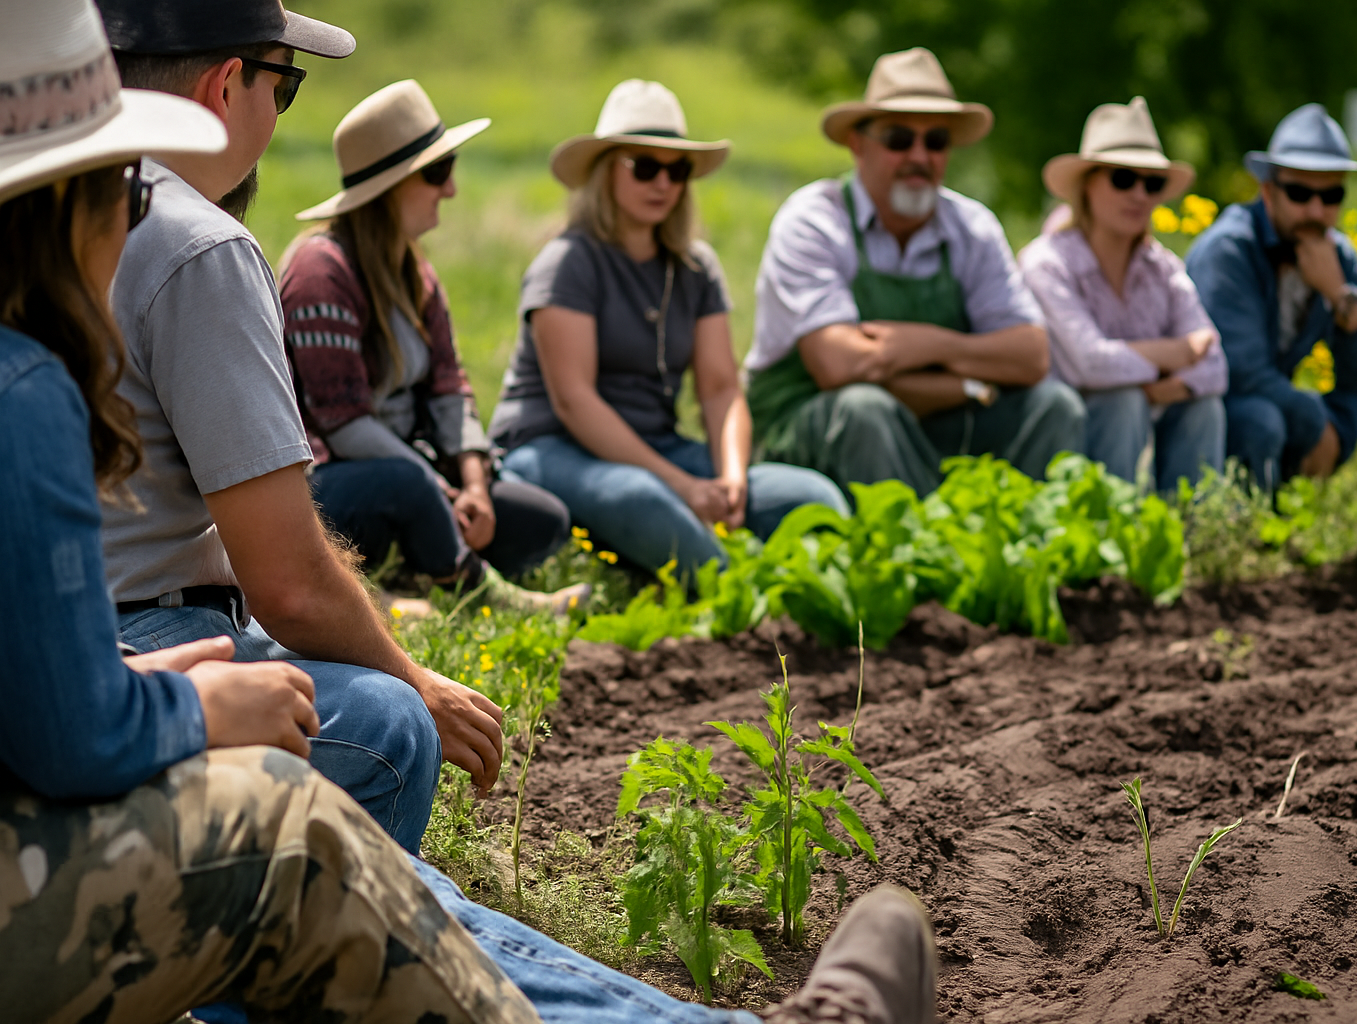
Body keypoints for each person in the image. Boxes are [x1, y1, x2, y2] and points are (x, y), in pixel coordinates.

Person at [0, 8, 939, 1023]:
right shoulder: (44, 381)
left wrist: (138, 676)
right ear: (69, 197)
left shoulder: (434, 278)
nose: (140, 204)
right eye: (126, 179)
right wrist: (190, 705)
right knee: (309, 841)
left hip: (132, 666)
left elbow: (453, 391)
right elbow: (73, 732)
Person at [97, 0, 502, 856]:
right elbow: (289, 582)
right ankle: (307, 969)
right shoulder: (198, 245)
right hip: (140, 631)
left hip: (50, 630)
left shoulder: (44, 203)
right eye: (285, 87)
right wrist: (416, 679)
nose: (280, 118)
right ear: (224, 84)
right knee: (389, 727)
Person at [489, 79, 848, 577]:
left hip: (656, 446)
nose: (664, 183)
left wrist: (731, 478)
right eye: (645, 166)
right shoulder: (568, 262)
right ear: (604, 171)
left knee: (815, 498)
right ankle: (746, 603)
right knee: (645, 499)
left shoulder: (696, 267)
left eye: (677, 169)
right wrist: (683, 486)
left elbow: (721, 388)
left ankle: (779, 583)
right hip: (549, 448)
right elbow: (575, 401)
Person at [279, 80, 585, 614]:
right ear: (390, 187)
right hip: (331, 487)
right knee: (406, 484)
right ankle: (484, 595)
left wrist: (473, 483)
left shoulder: (416, 273)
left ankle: (410, 579)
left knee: (542, 519)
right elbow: (344, 423)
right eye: (438, 173)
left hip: (413, 473)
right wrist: (436, 489)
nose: (451, 190)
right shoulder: (319, 271)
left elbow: (451, 386)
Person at [745, 47, 1084, 497]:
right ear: (857, 144)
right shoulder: (814, 221)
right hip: (810, 424)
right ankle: (898, 562)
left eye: (936, 140)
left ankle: (1033, 557)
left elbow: (1030, 355)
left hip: (935, 429)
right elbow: (838, 365)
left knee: (1054, 406)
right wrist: (969, 382)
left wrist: (927, 345)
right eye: (899, 139)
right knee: (865, 409)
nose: (919, 156)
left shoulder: (972, 226)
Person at [1185, 103, 1357, 490]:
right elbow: (1241, 374)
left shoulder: (1335, 256)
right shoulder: (1229, 251)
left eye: (1331, 195)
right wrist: (1317, 424)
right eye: (1299, 193)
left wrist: (1338, 296)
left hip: (1269, 408)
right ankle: (1239, 531)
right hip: (1198, 414)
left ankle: (1281, 515)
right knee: (1260, 418)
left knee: (1280, 413)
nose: (1316, 210)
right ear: (1268, 192)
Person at [1020, 97, 1226, 492]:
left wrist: (1167, 387)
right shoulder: (1046, 264)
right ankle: (1108, 534)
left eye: (1152, 184)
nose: (1139, 195)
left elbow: (1216, 363)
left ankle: (1195, 538)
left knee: (1204, 406)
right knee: (1121, 402)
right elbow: (1089, 364)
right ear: (1087, 184)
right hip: (1057, 451)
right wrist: (1174, 353)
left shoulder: (1163, 268)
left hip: (1133, 426)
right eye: (1122, 178)